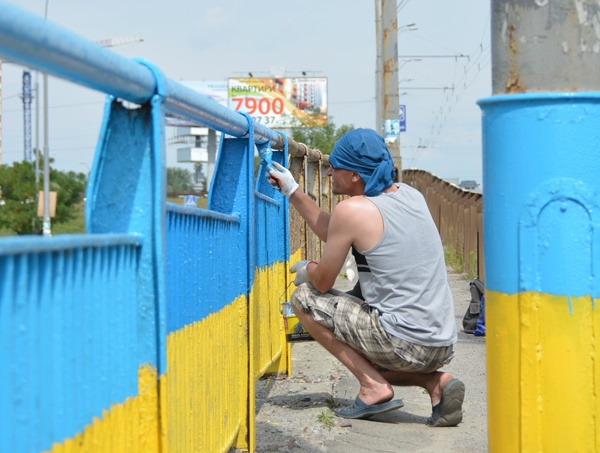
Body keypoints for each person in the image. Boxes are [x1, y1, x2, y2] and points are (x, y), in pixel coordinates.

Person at [267, 128, 464, 426]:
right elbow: (337, 231)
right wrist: (293, 191)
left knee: (305, 299)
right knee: (364, 351)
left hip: (403, 344)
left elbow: (322, 283)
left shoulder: (353, 210)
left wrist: (308, 270)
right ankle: (437, 384)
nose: (330, 171)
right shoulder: (410, 195)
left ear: (356, 176)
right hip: (441, 343)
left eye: (336, 166)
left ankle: (373, 388)